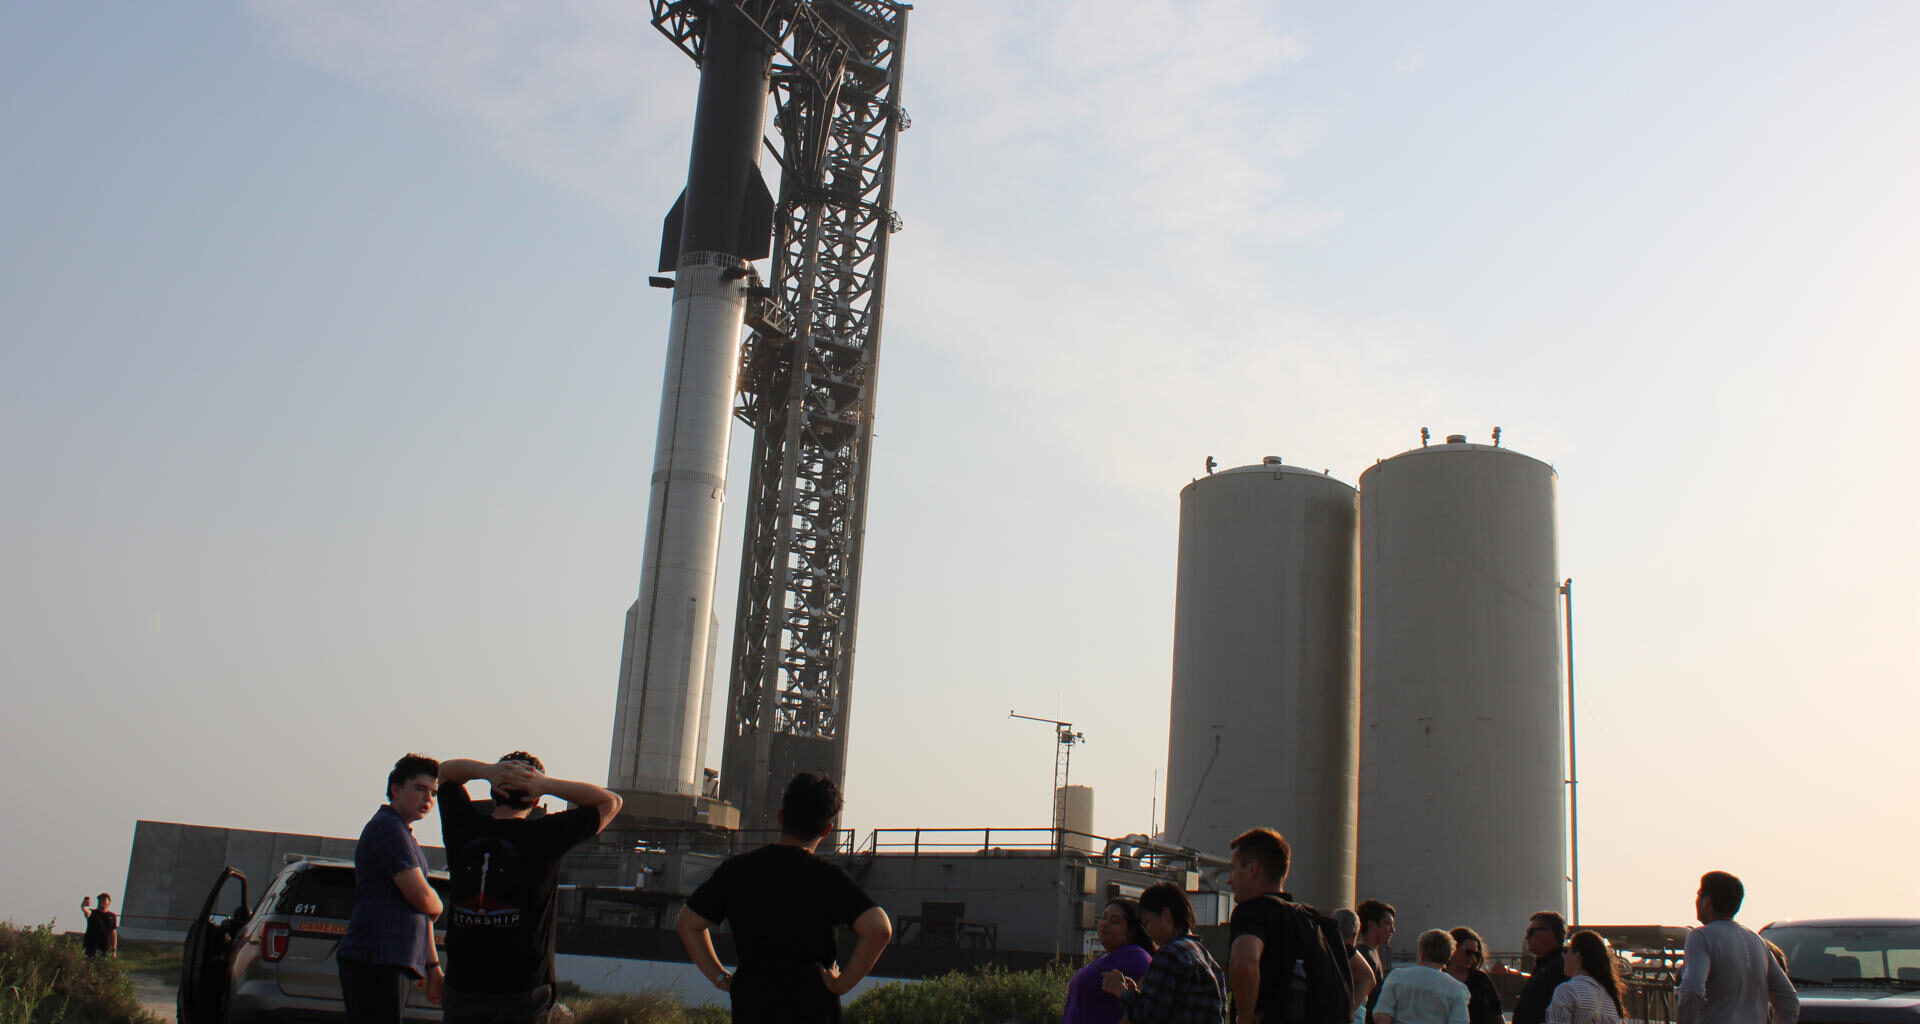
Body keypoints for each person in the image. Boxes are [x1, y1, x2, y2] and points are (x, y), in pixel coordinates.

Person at [676, 772, 892, 1023]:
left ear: (781, 817)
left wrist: (720, 978)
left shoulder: (736, 871)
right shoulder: (827, 877)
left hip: (752, 1008)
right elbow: (879, 930)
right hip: (813, 1008)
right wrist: (841, 984)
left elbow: (687, 924)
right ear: (827, 829)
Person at [436, 753, 623, 1024]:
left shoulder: (463, 827)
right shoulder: (546, 835)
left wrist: (489, 772)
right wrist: (546, 784)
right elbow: (611, 802)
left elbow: (446, 771)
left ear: (493, 791)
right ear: (536, 801)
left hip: (463, 984)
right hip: (523, 988)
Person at [337, 754, 444, 1024]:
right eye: (420, 789)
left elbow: (423, 913)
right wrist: (439, 903)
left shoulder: (404, 834)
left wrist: (433, 966)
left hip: (394, 960)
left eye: (433, 793)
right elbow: (422, 898)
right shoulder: (387, 828)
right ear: (396, 790)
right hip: (377, 958)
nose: (428, 799)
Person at [1677, 872, 1798, 1024]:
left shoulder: (1700, 936)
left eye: (1699, 895)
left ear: (1707, 902)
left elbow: (1693, 990)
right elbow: (1789, 1000)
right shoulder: (1757, 940)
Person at [1102, 882, 1226, 1024]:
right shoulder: (1206, 957)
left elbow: (1150, 1016)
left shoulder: (1169, 955)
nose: (1147, 931)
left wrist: (1120, 991)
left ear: (1166, 914)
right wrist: (1134, 993)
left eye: (1147, 922)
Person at [1065, 898, 1154, 1024]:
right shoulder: (1107, 956)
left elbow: (1143, 1004)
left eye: (1114, 921)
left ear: (1131, 931)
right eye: (1104, 918)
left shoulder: (1136, 958)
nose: (1105, 924)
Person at [1372, 929, 1469, 1024]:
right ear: (1448, 957)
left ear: (1422, 953)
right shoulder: (1457, 989)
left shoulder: (1397, 977)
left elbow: (1381, 1017)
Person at [1547, 930, 1625, 1024]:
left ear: (1578, 955)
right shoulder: (1610, 998)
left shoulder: (1567, 990)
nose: (1563, 955)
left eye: (1566, 950)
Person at [1511, 911, 1570, 1024]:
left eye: (1531, 932)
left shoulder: (1562, 967)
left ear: (1550, 933)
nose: (1527, 937)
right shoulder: (1543, 965)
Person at [1444, 927, 1501, 1024]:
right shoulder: (1439, 977)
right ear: (1453, 949)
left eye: (1476, 954)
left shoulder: (1481, 979)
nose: (1473, 958)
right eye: (1468, 953)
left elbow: (1496, 1013)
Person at [1336, 909, 1379, 1024]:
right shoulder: (1351, 954)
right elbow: (1369, 979)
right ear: (1356, 934)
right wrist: (1349, 1013)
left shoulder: (1323, 950)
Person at [1357, 900, 1397, 1019]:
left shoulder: (1373, 953)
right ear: (1372, 925)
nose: (1393, 930)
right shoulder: (1362, 956)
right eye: (1388, 924)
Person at [80, 893, 117, 959]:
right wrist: (83, 906)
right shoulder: (93, 913)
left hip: (105, 949)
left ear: (109, 902)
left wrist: (114, 950)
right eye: (100, 900)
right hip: (91, 948)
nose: (101, 902)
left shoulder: (112, 916)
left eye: (104, 900)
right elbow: (86, 912)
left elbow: (113, 933)